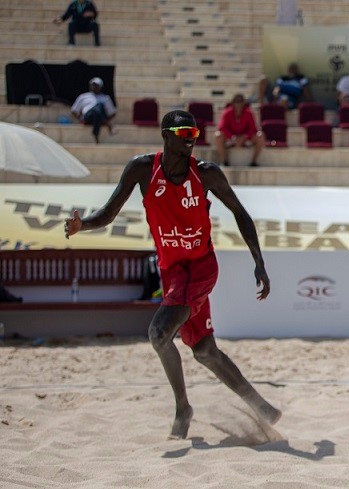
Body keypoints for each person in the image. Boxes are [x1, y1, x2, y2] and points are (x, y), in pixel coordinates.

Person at [63, 110, 282, 441]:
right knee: (205, 350)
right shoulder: (141, 169)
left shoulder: (206, 173)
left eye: (195, 131)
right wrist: (83, 226)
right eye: (183, 132)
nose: (191, 137)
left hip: (201, 267)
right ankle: (261, 406)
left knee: (158, 333)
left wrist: (259, 262)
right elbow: (108, 214)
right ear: (166, 135)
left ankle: (183, 408)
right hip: (171, 271)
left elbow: (240, 213)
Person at [215, 93, 265, 167]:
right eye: (236, 101)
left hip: (246, 139)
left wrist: (244, 137)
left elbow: (253, 128)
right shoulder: (227, 112)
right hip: (230, 139)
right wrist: (232, 137)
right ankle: (225, 161)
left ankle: (253, 162)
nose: (238, 104)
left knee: (260, 136)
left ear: (244, 103)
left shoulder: (249, 113)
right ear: (233, 102)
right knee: (218, 135)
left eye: (240, 101)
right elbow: (222, 127)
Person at [70, 77, 116, 143]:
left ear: (100, 86)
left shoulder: (105, 98)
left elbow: (112, 112)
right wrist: (79, 118)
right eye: (93, 85)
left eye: (96, 85)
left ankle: (96, 133)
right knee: (97, 107)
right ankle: (108, 124)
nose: (94, 86)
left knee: (98, 108)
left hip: (99, 118)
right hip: (88, 117)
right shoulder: (83, 96)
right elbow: (74, 110)